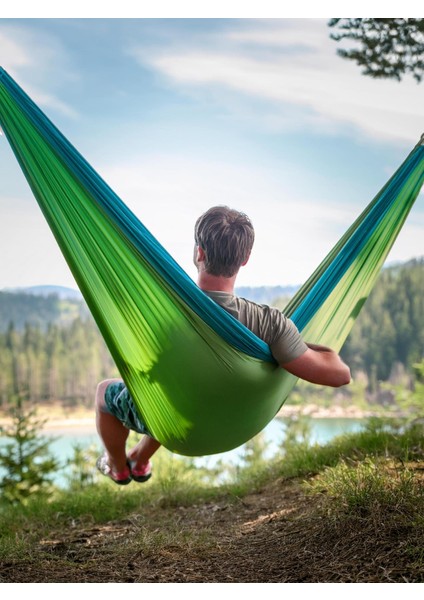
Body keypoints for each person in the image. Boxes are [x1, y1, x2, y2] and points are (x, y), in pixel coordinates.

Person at [95, 206, 351, 484]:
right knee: (181, 390)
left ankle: (118, 467)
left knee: (106, 393)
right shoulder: (270, 325)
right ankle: (140, 459)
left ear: (199, 253)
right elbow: (340, 375)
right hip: (233, 429)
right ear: (245, 259)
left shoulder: (164, 317)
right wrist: (294, 344)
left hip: (176, 426)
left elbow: (148, 375)